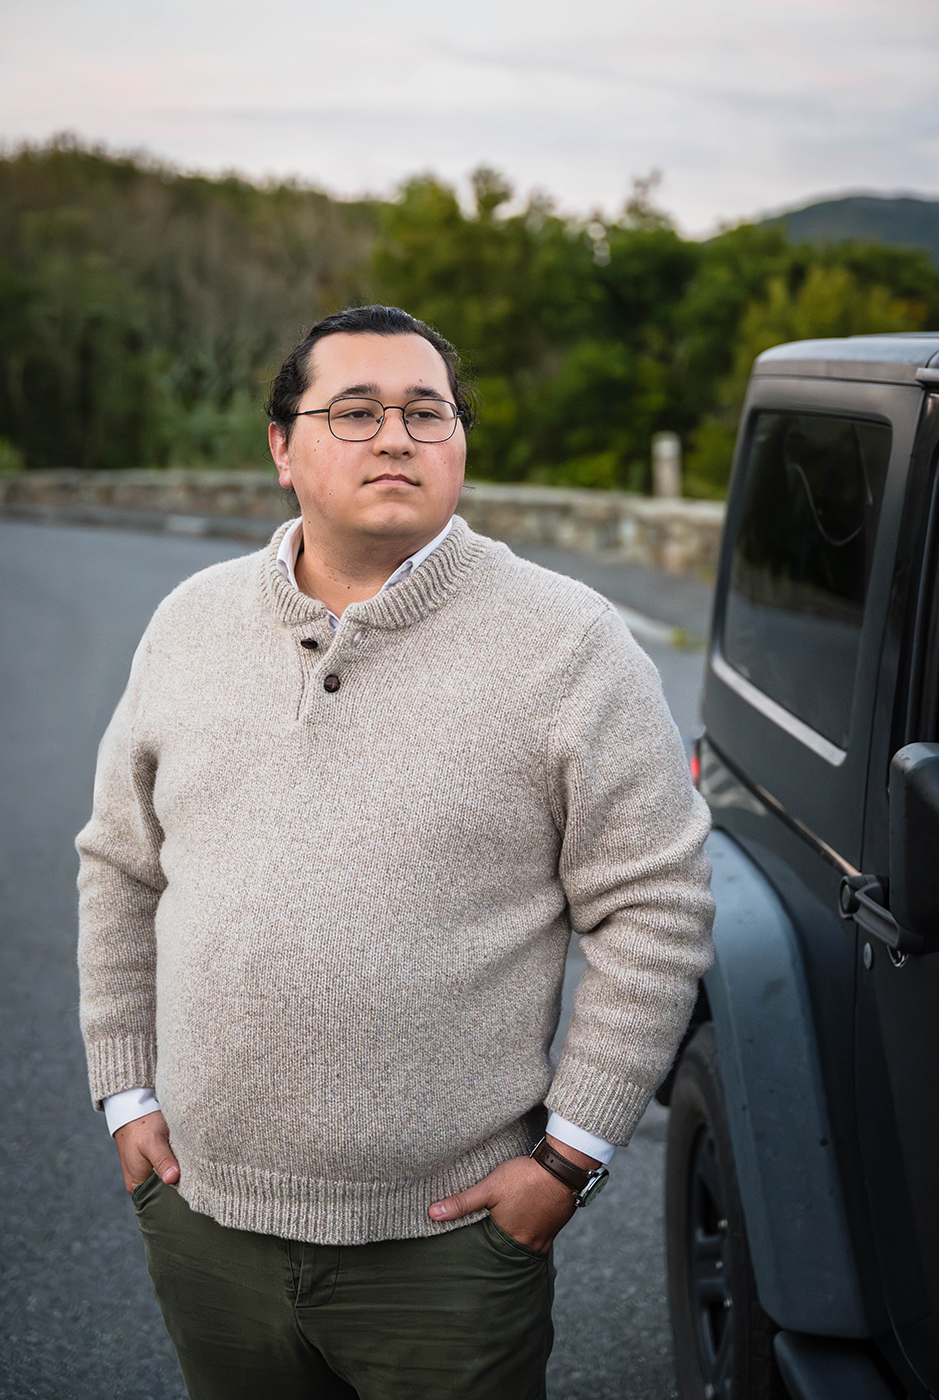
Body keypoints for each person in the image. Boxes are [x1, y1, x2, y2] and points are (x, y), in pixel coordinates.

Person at [77, 304, 714, 1400]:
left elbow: (655, 903)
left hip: (448, 1248)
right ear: (282, 447)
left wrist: (569, 1158)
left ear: (461, 441)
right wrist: (124, 1094)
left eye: (428, 412)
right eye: (355, 410)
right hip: (203, 1220)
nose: (395, 437)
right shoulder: (188, 621)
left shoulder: (568, 642)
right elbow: (120, 864)